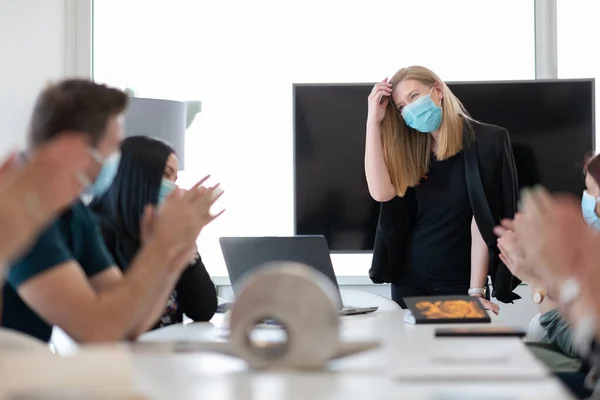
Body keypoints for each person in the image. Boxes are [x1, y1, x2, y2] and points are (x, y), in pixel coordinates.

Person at [2, 79, 223, 343]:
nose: (117, 158)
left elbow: (131, 322)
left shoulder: (75, 215)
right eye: (113, 146)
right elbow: (98, 330)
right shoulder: (25, 208)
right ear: (72, 148)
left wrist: (173, 252)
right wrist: (161, 247)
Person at [366, 66, 519, 310]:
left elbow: (481, 220)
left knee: (459, 347)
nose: (409, 109)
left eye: (414, 96)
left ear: (437, 90)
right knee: (410, 348)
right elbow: (381, 193)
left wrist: (476, 291)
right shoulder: (409, 148)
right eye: (402, 107)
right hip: (409, 279)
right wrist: (373, 122)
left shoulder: (488, 141)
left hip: (460, 280)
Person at [89, 136, 217, 328]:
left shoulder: (163, 231)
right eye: (166, 175)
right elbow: (124, 319)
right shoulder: (97, 233)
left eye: (175, 179)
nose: (173, 187)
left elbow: (203, 310)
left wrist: (187, 243)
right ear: (135, 177)